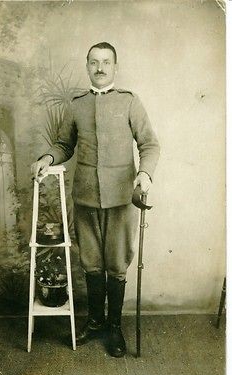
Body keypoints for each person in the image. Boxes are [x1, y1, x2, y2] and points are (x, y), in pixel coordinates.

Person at [31, 42, 160, 358]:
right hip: (86, 196)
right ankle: (95, 321)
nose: (100, 68)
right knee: (91, 262)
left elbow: (150, 145)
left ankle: (114, 328)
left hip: (120, 198)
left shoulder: (129, 102)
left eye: (106, 62)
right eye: (94, 62)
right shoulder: (77, 105)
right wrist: (47, 157)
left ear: (115, 67)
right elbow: (64, 144)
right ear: (87, 66)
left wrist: (145, 174)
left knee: (116, 264)